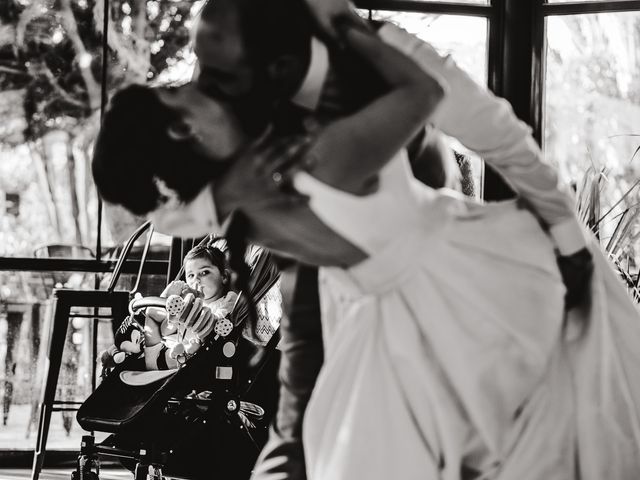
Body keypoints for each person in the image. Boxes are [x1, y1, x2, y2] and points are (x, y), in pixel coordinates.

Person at [92, 6, 640, 478]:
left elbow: (495, 132)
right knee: (327, 428)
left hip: (457, 266)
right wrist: (223, 193)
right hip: (369, 295)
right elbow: (164, 213)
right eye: (198, 72)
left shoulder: (361, 78)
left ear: (273, 55)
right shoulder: (263, 152)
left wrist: (569, 239)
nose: (202, 77)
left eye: (215, 66)